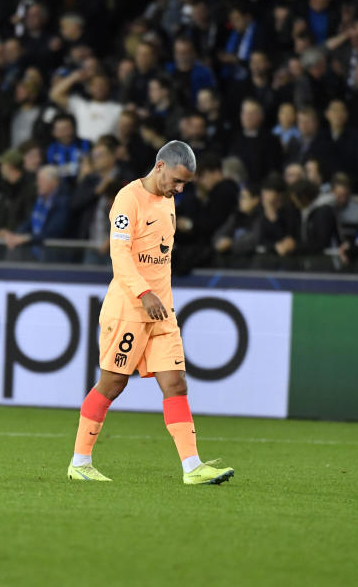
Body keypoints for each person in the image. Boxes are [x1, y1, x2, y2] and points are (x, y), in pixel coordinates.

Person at [67, 140, 234, 485]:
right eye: (176, 180)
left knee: (176, 383)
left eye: (185, 183)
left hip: (161, 310)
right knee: (112, 384)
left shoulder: (168, 201)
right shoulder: (128, 199)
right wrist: (144, 293)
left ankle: (192, 468)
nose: (179, 188)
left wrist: (158, 297)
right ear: (159, 166)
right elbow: (120, 255)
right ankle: (80, 462)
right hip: (130, 307)